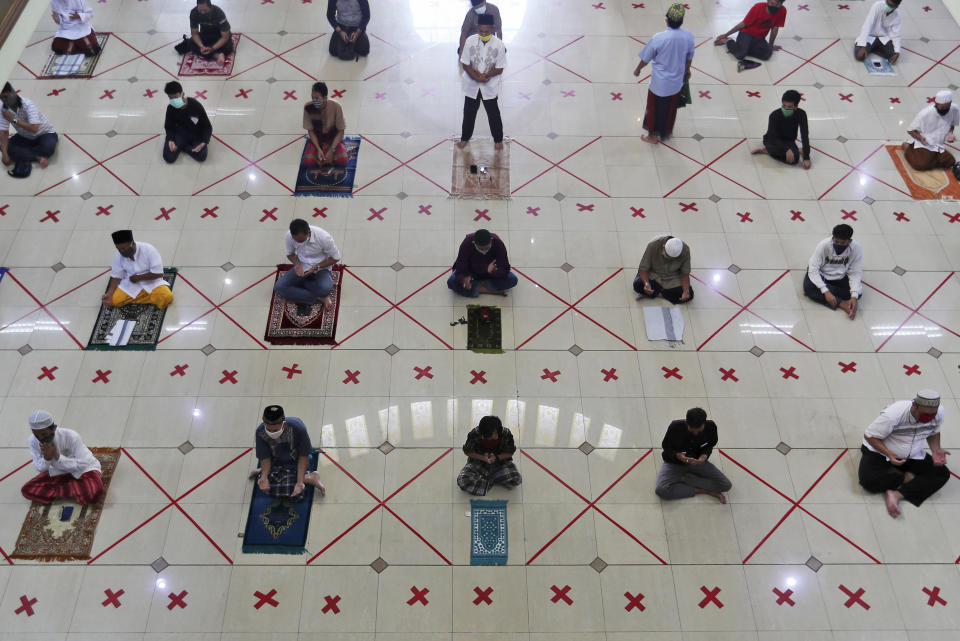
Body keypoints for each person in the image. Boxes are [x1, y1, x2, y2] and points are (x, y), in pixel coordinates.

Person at [858, 391, 949, 518]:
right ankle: (906, 479)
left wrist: (936, 449)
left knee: (941, 474)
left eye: (932, 414)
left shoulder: (938, 413)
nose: (929, 418)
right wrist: (889, 454)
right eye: (925, 414)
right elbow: (870, 436)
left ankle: (896, 495)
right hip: (881, 452)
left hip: (912, 454)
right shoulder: (894, 414)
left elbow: (934, 431)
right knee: (867, 481)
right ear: (914, 405)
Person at [632, 3, 695, 144]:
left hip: (659, 84)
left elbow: (646, 58)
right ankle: (667, 132)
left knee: (655, 110)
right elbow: (690, 56)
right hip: (676, 82)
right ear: (681, 21)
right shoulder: (688, 36)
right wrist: (687, 70)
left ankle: (653, 137)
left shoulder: (659, 38)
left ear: (667, 19)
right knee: (670, 108)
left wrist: (638, 69)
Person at [21, 410, 103, 506]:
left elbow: (83, 464)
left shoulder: (71, 436)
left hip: (82, 471)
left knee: (95, 492)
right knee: (27, 489)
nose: (40, 438)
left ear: (54, 428)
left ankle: (63, 490)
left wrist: (57, 456)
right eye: (36, 434)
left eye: (44, 434)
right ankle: (76, 490)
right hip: (57, 472)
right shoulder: (33, 441)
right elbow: (39, 467)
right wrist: (47, 458)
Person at [655, 408, 732, 503]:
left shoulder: (711, 427)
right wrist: (677, 455)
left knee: (726, 485)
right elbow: (666, 446)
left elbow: (710, 445)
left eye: (699, 430)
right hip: (675, 463)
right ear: (686, 422)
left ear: (704, 423)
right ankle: (704, 491)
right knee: (661, 490)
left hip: (697, 462)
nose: (695, 433)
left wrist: (704, 456)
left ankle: (684, 478)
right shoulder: (675, 427)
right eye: (692, 430)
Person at [251, 405, 325, 500]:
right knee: (266, 485)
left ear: (284, 424)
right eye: (268, 430)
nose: (272, 433)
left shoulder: (298, 428)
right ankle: (308, 478)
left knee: (296, 492)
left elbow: (304, 455)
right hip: (276, 462)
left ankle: (310, 478)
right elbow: (265, 457)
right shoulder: (260, 432)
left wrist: (300, 482)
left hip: (296, 462)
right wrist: (264, 477)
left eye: (275, 430)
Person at [458, 14, 506, 150]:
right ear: (478, 28)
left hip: (489, 86)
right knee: (469, 113)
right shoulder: (470, 41)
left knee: (493, 113)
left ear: (492, 28)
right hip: (472, 85)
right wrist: (475, 76)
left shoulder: (499, 45)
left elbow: (500, 68)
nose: (484, 34)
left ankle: (498, 140)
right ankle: (465, 138)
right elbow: (465, 64)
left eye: (487, 31)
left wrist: (486, 75)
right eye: (481, 31)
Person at [275, 218, 341, 314]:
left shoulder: (324, 237)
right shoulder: (289, 236)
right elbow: (290, 254)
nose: (298, 242)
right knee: (279, 287)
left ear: (309, 233)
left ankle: (304, 283)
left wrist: (317, 267)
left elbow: (336, 258)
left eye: (301, 241)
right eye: (296, 240)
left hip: (321, 268)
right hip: (303, 266)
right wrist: (297, 265)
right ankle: (319, 297)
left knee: (325, 289)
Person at [102, 230, 174, 309]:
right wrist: (109, 293)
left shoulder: (149, 250)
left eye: (124, 248)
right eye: (119, 249)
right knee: (114, 301)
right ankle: (149, 297)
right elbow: (116, 276)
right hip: (131, 284)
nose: (122, 252)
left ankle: (144, 297)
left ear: (132, 244)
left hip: (151, 282)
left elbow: (159, 274)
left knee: (167, 297)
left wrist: (138, 277)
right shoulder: (119, 255)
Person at [803, 224, 862, 320]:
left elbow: (855, 272)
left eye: (843, 243)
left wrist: (854, 296)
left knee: (858, 293)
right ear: (832, 238)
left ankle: (823, 295)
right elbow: (813, 269)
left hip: (839, 277)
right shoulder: (823, 245)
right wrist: (825, 291)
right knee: (809, 288)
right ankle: (842, 304)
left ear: (849, 241)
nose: (839, 245)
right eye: (836, 241)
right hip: (821, 274)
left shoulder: (856, 248)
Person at [1, 82, 58, 178]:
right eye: (2, 98)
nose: (5, 100)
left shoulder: (28, 104)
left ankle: (24, 155)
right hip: (24, 136)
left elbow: (34, 129)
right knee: (4, 148)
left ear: (13, 93)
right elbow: (3, 132)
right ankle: (37, 157)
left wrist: (13, 120)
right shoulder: (3, 110)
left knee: (48, 148)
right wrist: (5, 155)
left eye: (7, 97)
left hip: (44, 134)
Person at [457, 415, 522, 496]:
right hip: (479, 463)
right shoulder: (475, 433)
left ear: (496, 432)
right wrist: (483, 458)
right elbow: (468, 452)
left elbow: (510, 453)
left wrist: (497, 457)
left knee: (516, 478)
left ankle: (485, 480)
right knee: (462, 480)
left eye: (488, 437)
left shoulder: (506, 433)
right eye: (483, 436)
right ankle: (493, 479)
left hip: (500, 463)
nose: (483, 437)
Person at [714, 0, 787, 71]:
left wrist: (770, 45)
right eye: (772, 3)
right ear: (768, 1)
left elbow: (775, 29)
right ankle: (728, 41)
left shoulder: (783, 11)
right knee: (740, 55)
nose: (775, 6)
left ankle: (740, 48)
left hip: (760, 38)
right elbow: (743, 24)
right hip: (746, 33)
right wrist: (726, 35)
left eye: (778, 4)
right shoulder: (758, 7)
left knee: (767, 55)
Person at [448, 228, 518, 297]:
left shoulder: (498, 243)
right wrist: (463, 279)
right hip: (471, 274)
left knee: (513, 279)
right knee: (451, 282)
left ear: (491, 241)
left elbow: (505, 267)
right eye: (481, 248)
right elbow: (460, 266)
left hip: (490, 276)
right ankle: (490, 291)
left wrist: (493, 272)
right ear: (474, 243)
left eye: (487, 248)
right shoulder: (467, 243)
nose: (484, 250)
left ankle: (479, 286)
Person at [751, 89, 811, 168]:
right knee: (773, 147)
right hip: (772, 140)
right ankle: (767, 151)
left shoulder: (801, 114)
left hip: (789, 141)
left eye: (789, 107)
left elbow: (805, 135)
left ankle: (771, 152)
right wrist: (786, 149)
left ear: (796, 106)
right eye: (784, 106)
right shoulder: (774, 115)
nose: (785, 109)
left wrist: (806, 157)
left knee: (795, 159)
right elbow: (772, 136)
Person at [904, 89, 959, 173]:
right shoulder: (925, 113)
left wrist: (950, 133)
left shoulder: (955, 109)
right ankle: (907, 147)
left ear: (950, 103)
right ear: (936, 104)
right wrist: (920, 138)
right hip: (924, 143)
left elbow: (952, 124)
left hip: (938, 145)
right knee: (920, 165)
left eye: (946, 107)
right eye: (941, 107)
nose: (943, 110)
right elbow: (910, 130)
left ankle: (930, 158)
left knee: (951, 162)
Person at [162, 81, 211, 164]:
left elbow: (207, 126)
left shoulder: (195, 105)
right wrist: (171, 139)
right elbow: (169, 126)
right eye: (170, 98)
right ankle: (184, 146)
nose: (173, 100)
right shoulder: (170, 108)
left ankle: (182, 147)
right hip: (179, 134)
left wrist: (204, 142)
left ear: (182, 94)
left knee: (202, 156)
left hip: (195, 134)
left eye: (175, 97)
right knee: (168, 157)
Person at [634, 234, 693, 304]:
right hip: (654, 274)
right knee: (638, 284)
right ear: (664, 246)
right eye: (667, 256)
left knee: (689, 294)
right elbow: (643, 269)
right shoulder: (653, 245)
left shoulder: (685, 250)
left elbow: (684, 274)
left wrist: (686, 291)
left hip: (672, 278)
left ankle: (652, 294)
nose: (669, 259)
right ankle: (664, 294)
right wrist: (646, 283)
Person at [174, 0, 233, 66]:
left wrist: (212, 48)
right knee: (191, 42)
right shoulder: (194, 12)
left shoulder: (219, 13)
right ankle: (216, 55)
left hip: (218, 34)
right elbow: (194, 33)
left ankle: (213, 52)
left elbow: (225, 37)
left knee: (228, 44)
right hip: (205, 33)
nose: (202, 13)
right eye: (200, 11)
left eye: (205, 10)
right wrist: (201, 46)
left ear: (210, 7)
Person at [303, 82, 348, 169]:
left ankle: (328, 156)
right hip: (317, 140)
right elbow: (310, 130)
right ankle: (324, 156)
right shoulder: (308, 107)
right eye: (312, 97)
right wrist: (318, 149)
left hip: (333, 139)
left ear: (325, 98)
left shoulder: (336, 107)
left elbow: (341, 130)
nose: (314, 101)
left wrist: (332, 150)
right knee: (308, 162)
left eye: (317, 98)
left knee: (343, 161)